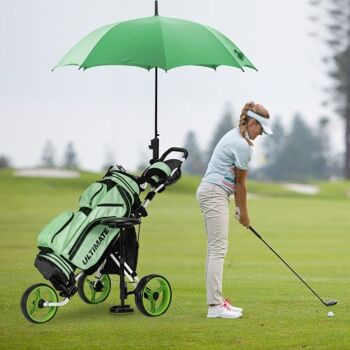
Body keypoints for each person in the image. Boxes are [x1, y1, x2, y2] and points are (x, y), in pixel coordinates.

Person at [196, 101, 273, 319]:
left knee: (216, 248)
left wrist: (239, 210)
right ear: (252, 122)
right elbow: (240, 184)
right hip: (214, 192)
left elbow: (236, 184)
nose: (261, 135)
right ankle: (215, 307)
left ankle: (218, 302)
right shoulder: (242, 145)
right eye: (260, 129)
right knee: (217, 249)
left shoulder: (235, 136)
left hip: (215, 192)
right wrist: (245, 215)